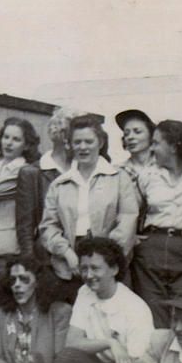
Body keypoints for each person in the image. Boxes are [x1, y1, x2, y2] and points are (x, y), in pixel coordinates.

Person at [40, 115, 139, 303]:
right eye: (77, 142)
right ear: (70, 145)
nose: (83, 147)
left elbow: (127, 220)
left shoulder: (118, 178)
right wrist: (67, 253)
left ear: (100, 143)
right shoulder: (59, 184)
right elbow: (48, 227)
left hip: (108, 262)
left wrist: (103, 259)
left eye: (89, 141)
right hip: (68, 265)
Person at [132, 120, 182, 327]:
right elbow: (130, 210)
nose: (151, 148)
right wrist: (131, 235)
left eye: (156, 143)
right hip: (151, 250)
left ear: (174, 146)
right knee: (154, 314)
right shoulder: (147, 175)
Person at [0, 117, 41, 308]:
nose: (8, 143)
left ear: (26, 145)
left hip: (7, 247)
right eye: (6, 137)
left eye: (16, 139)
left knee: (5, 303)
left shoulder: (23, 171)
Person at [15, 107, 77, 263]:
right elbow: (25, 228)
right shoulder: (32, 172)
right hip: (46, 258)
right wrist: (31, 264)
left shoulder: (82, 169)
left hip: (81, 255)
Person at [115, 108, 156, 182]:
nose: (130, 137)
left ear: (151, 135)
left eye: (137, 132)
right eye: (126, 134)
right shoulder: (118, 171)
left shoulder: (165, 166)